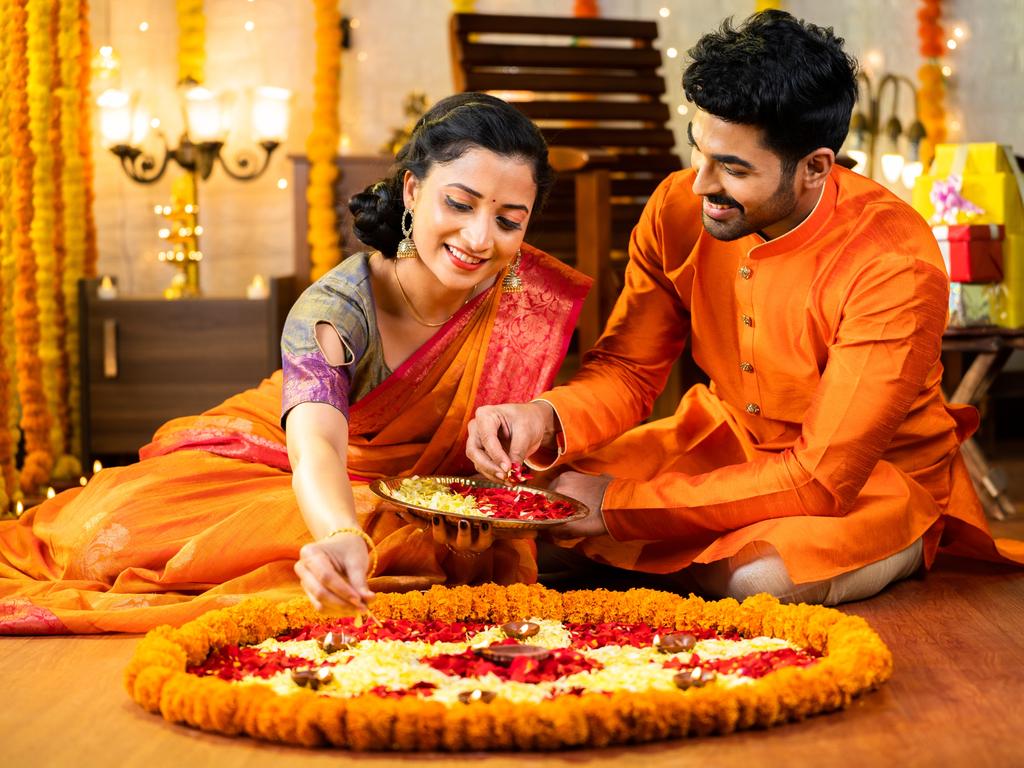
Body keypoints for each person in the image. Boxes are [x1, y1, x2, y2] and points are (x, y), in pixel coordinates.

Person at [467, 11, 1024, 606]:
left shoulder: (892, 262)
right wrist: (544, 417)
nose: (702, 184)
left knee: (753, 579)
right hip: (721, 444)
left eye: (733, 168)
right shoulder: (680, 207)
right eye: (701, 152)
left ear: (815, 168)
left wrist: (618, 507)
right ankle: (661, 558)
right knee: (515, 513)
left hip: (867, 482)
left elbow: (820, 478)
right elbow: (629, 369)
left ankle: (903, 543)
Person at [0, 92, 590, 633]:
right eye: (459, 204)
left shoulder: (527, 298)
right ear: (412, 190)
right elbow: (318, 449)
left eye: (510, 219)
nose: (480, 238)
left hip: (423, 492)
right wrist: (338, 533)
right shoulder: (335, 310)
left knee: (434, 532)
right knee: (109, 537)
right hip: (286, 462)